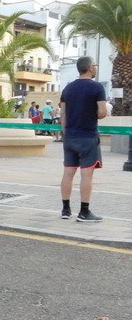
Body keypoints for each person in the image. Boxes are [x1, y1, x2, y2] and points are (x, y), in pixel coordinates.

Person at [59, 56, 107, 223]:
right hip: (87, 136)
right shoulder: (97, 87)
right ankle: (84, 212)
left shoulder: (68, 88)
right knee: (86, 175)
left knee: (68, 173)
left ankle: (66, 210)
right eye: (95, 65)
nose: (96, 67)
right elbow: (102, 113)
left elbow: (63, 114)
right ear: (90, 68)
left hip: (70, 137)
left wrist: (65, 133)